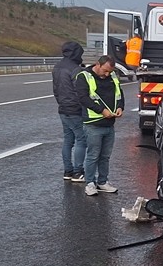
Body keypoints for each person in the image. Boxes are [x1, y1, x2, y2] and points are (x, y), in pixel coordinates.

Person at [74, 55, 124, 196]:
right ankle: (90, 183)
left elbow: (119, 93)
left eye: (109, 71)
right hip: (93, 123)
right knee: (93, 155)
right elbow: (83, 98)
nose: (107, 74)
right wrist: (102, 111)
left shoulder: (113, 75)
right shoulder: (84, 76)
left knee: (105, 156)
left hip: (109, 123)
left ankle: (102, 182)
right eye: (105, 71)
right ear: (98, 64)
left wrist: (120, 107)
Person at [53, 41, 87, 183]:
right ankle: (78, 172)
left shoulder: (57, 67)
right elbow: (80, 91)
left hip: (63, 108)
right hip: (75, 109)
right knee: (81, 139)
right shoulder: (75, 69)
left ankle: (68, 170)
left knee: (68, 140)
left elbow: (55, 89)